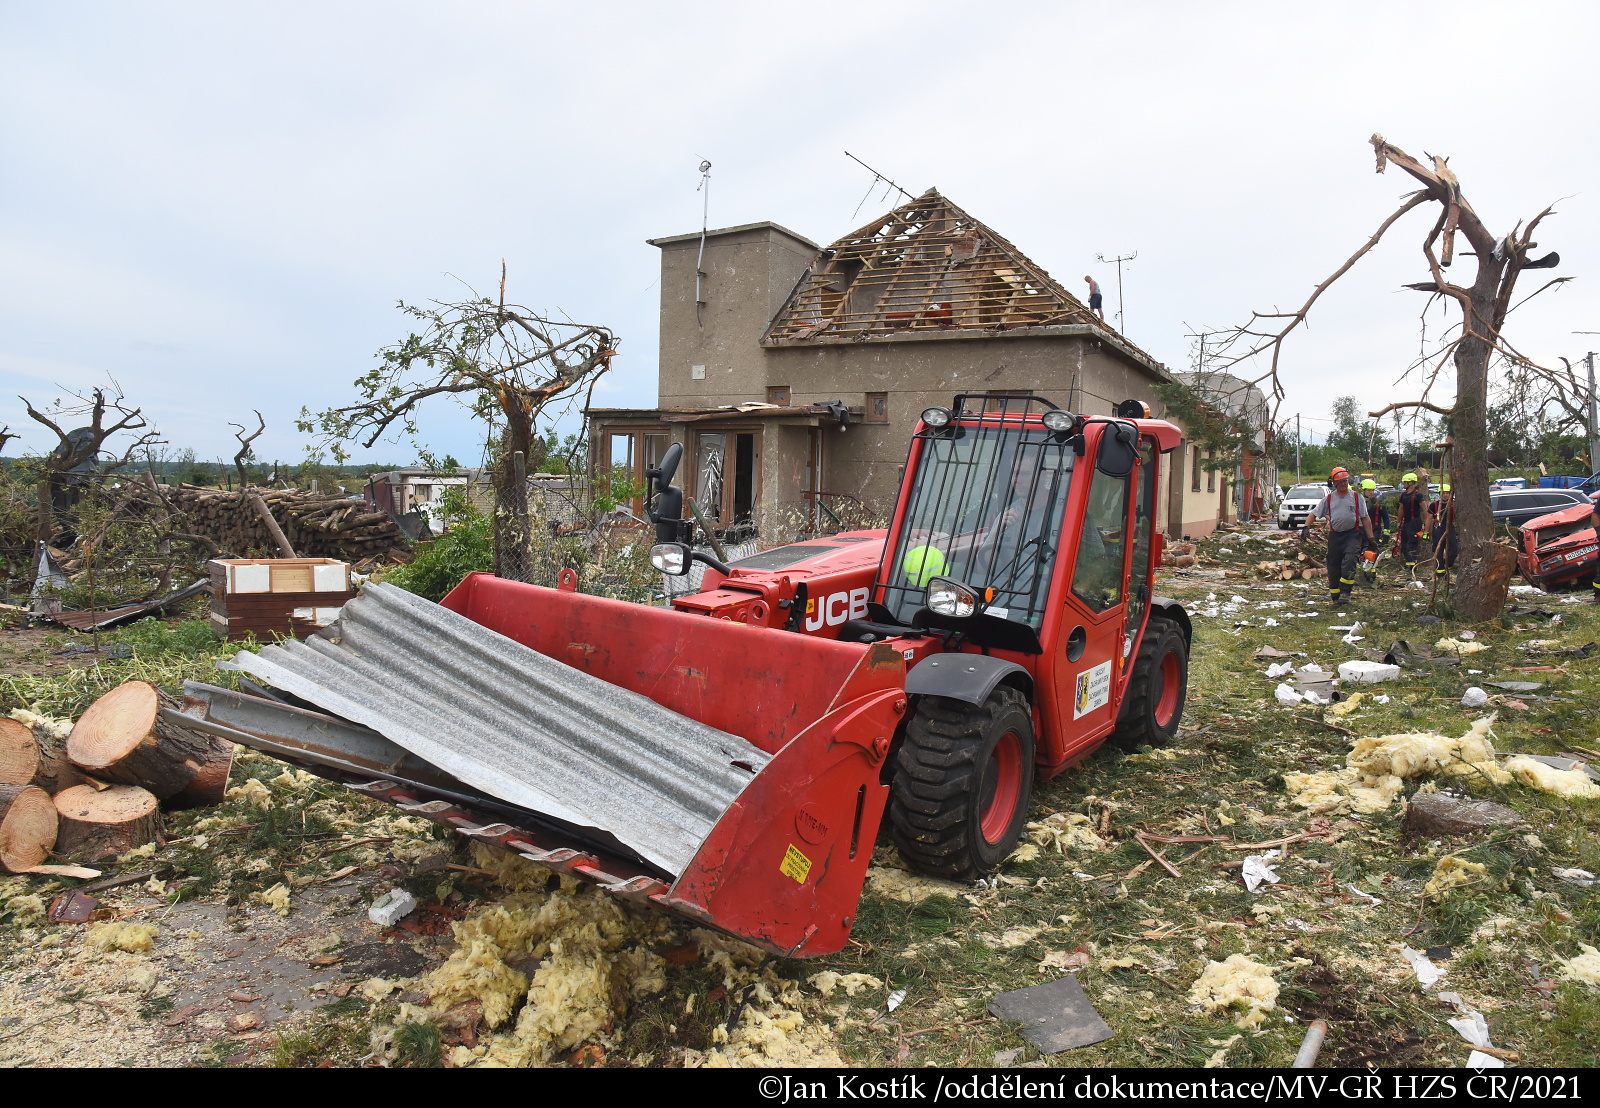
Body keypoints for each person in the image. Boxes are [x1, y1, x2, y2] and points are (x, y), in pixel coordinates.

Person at [1301, 466, 1375, 607]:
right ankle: (1335, 597)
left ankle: (1345, 592)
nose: (1343, 484)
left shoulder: (1356, 497)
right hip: (1335, 536)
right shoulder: (1329, 499)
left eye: (1345, 481)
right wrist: (1306, 527)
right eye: (1340, 481)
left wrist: (1371, 538)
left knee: (1350, 560)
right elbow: (1314, 514)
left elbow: (1365, 518)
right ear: (1334, 483)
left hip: (1352, 534)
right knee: (1334, 567)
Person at [1396, 472, 1428, 576]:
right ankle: (1408, 564)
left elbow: (1424, 508)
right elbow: (1401, 509)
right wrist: (1398, 522)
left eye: (1404, 482)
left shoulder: (1417, 495)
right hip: (1406, 522)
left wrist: (1424, 523)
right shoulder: (1404, 495)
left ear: (1410, 483)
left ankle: (1412, 566)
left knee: (1412, 544)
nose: (1403, 484)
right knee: (1404, 544)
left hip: (1415, 522)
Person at [1431, 483, 1458, 585]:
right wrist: (1425, 532)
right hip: (1438, 529)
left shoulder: (1453, 505)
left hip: (1450, 529)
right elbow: (1429, 518)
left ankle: (1448, 567)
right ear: (1439, 494)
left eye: (1447, 493)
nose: (1445, 495)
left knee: (1453, 551)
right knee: (1437, 551)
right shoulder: (1434, 505)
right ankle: (1441, 573)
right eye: (1443, 493)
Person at [1360, 478, 1391, 543]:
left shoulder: (1378, 502)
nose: (1371, 492)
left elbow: (1386, 517)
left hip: (1375, 530)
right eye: (1369, 490)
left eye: (1372, 490)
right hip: (1361, 531)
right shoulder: (1359, 502)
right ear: (1363, 490)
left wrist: (1386, 532)